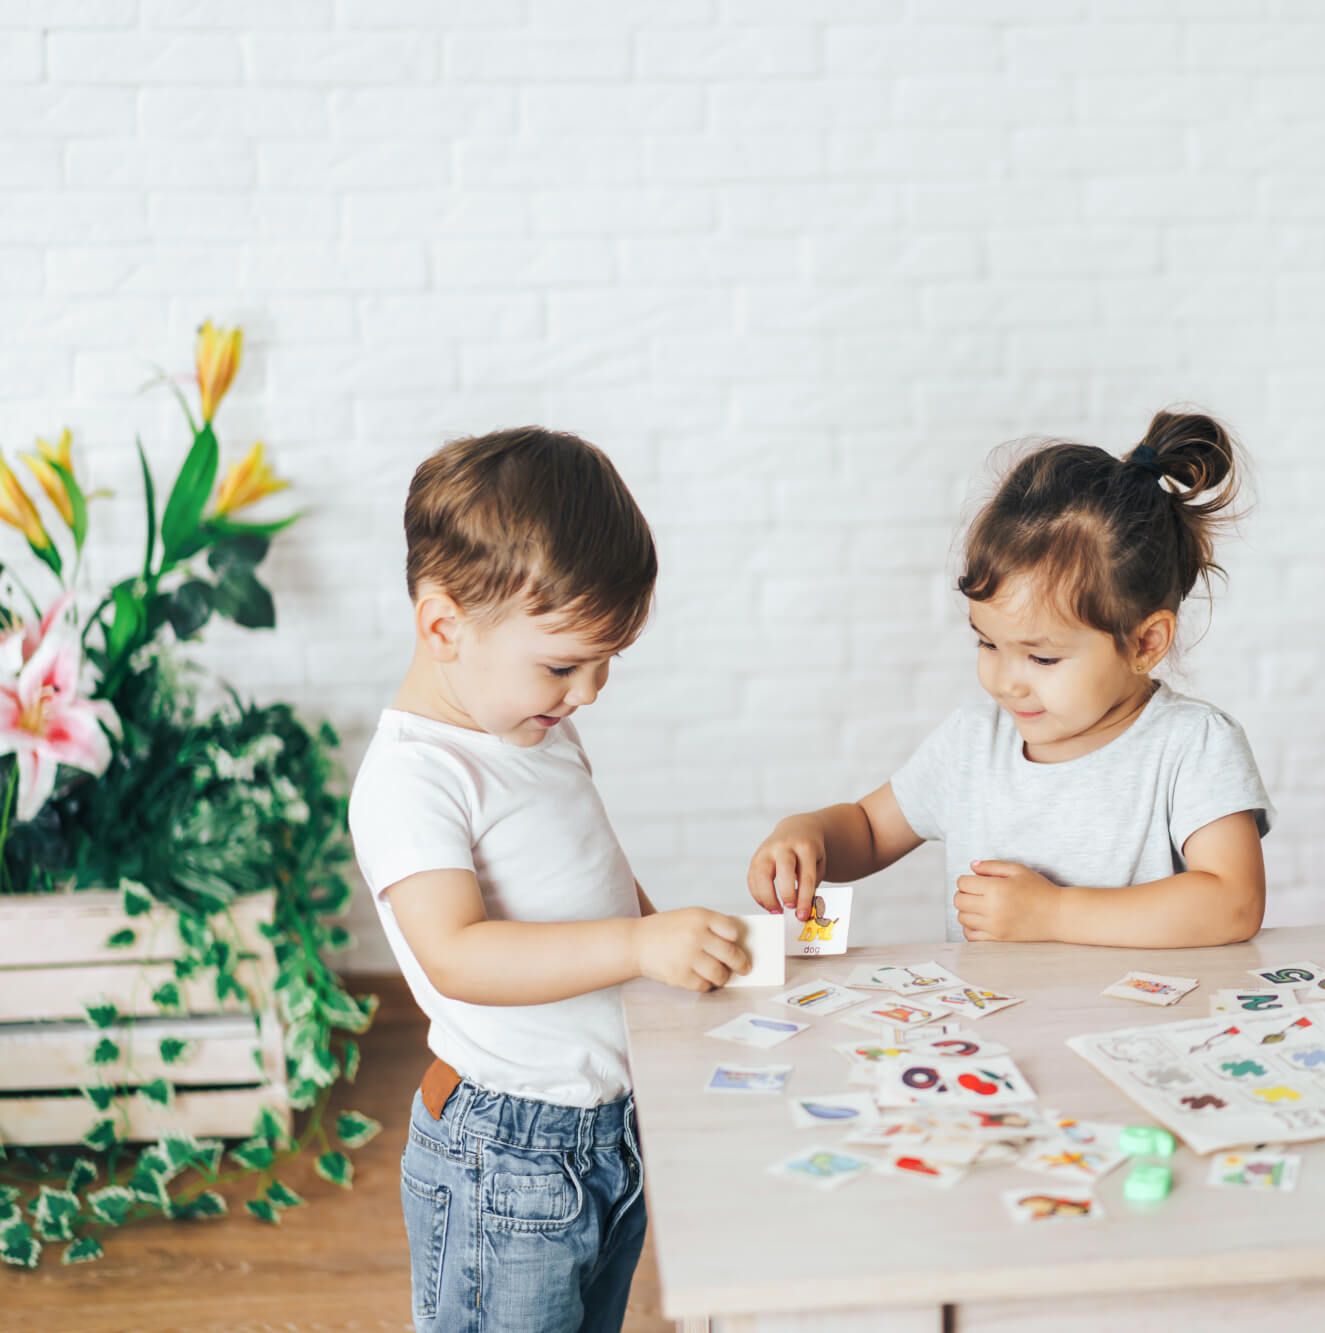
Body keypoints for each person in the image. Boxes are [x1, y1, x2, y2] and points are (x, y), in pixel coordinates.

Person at [349, 427, 750, 1333]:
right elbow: (457, 954)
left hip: (603, 1133)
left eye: (607, 662)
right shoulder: (414, 777)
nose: (591, 690)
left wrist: (670, 949)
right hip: (505, 1154)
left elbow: (592, 874)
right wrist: (638, 942)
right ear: (444, 624)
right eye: (566, 664)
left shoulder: (535, 726)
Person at [748, 409, 1271, 948]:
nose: (1006, 682)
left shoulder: (1193, 746)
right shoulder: (971, 744)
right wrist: (808, 834)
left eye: (1042, 659)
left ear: (1145, 644)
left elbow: (1232, 903)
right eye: (987, 643)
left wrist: (1057, 914)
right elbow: (869, 828)